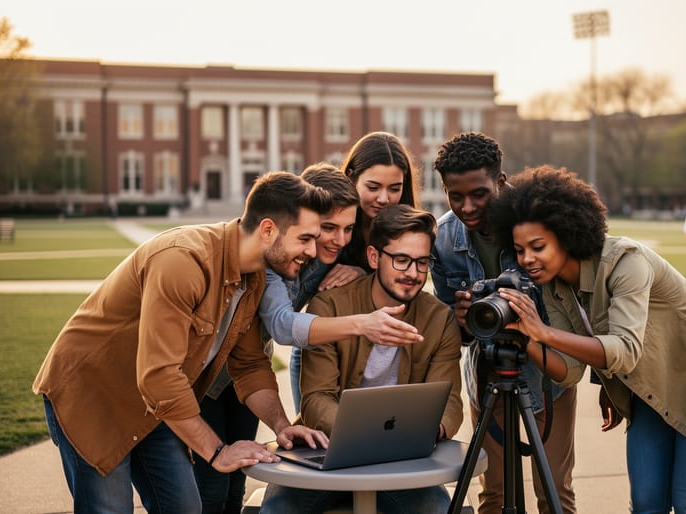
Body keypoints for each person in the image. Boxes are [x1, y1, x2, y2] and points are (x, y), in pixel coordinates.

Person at [32, 172, 331, 513]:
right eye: (305, 238)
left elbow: (249, 364)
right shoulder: (183, 260)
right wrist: (218, 451)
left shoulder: (254, 276)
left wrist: (282, 427)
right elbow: (159, 376)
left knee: (186, 507)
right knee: (110, 509)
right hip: (93, 396)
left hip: (158, 405)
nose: (313, 251)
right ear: (267, 230)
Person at [489, 166, 686, 514]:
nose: (527, 260)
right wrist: (528, 339)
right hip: (652, 386)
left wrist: (545, 332)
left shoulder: (626, 261)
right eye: (520, 250)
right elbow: (568, 372)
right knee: (646, 504)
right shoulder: (552, 287)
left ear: (566, 236)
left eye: (537, 246)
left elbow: (625, 351)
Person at [194, 165, 421, 513]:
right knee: (210, 484)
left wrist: (360, 271)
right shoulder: (273, 258)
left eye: (347, 229)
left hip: (248, 374)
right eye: (327, 228)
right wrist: (361, 324)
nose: (339, 240)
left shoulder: (327, 256)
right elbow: (284, 325)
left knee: (237, 478)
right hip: (210, 373)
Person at [260, 205, 463, 514]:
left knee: (436, 508)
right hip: (326, 451)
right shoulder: (329, 306)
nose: (413, 273)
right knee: (279, 509)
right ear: (373, 257)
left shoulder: (440, 319)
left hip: (404, 458)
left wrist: (427, 430)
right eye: (401, 260)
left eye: (422, 262)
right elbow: (316, 400)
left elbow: (449, 403)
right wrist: (370, 435)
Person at [430, 132, 581, 513]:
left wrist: (607, 382)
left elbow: (584, 304)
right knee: (492, 493)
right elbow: (453, 329)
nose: (467, 206)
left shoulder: (541, 220)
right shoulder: (444, 238)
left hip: (549, 372)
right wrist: (461, 320)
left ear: (500, 181)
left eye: (478, 193)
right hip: (489, 371)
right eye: (455, 195)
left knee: (554, 492)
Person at [338, 131, 419, 272]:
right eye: (373, 187)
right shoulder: (332, 225)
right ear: (351, 178)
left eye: (394, 189)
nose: (383, 199)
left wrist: (360, 277)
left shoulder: (413, 233)